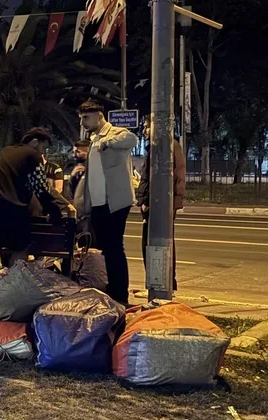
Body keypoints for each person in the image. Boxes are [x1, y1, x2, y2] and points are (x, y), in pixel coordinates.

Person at [72, 100, 138, 305]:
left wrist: (107, 142)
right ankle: (113, 290)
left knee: (114, 247)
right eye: (81, 118)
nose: (82, 122)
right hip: (98, 204)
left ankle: (120, 294)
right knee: (107, 249)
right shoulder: (93, 141)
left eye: (86, 117)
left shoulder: (115, 133)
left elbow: (132, 139)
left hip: (115, 202)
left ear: (99, 116)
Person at [0, 127, 73, 265]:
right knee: (22, 246)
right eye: (43, 147)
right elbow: (41, 187)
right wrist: (54, 210)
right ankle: (15, 276)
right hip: (12, 209)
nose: (43, 152)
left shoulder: (5, 151)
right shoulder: (32, 155)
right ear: (35, 142)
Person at [136, 126, 186, 291]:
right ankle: (162, 282)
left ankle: (161, 283)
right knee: (157, 242)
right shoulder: (163, 145)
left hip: (159, 203)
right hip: (160, 202)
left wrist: (147, 200)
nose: (145, 130)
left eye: (147, 126)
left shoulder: (164, 146)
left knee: (156, 243)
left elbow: (160, 177)